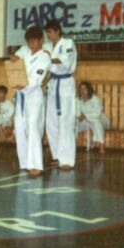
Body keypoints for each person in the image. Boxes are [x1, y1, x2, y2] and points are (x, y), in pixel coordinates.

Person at [12, 25, 52, 177]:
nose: (31, 43)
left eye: (34, 40)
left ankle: (36, 165)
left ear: (41, 40)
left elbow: (36, 79)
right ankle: (24, 163)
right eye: (29, 40)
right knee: (20, 128)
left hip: (33, 94)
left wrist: (24, 84)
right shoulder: (24, 50)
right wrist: (14, 60)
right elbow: (14, 58)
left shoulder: (45, 57)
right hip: (20, 95)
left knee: (34, 128)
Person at [43, 19, 78, 171]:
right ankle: (57, 156)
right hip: (52, 84)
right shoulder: (47, 46)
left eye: (50, 32)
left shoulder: (68, 43)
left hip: (65, 84)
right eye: (47, 33)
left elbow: (65, 62)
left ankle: (67, 160)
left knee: (66, 122)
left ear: (58, 31)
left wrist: (47, 58)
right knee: (51, 123)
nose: (48, 35)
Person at [76, 81, 110, 154]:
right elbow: (77, 112)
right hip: (86, 120)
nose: (82, 91)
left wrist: (85, 116)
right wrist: (79, 116)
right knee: (74, 123)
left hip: (101, 120)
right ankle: (71, 145)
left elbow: (97, 114)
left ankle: (102, 146)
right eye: (81, 89)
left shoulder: (95, 99)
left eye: (84, 89)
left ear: (88, 90)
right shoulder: (78, 100)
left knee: (96, 122)